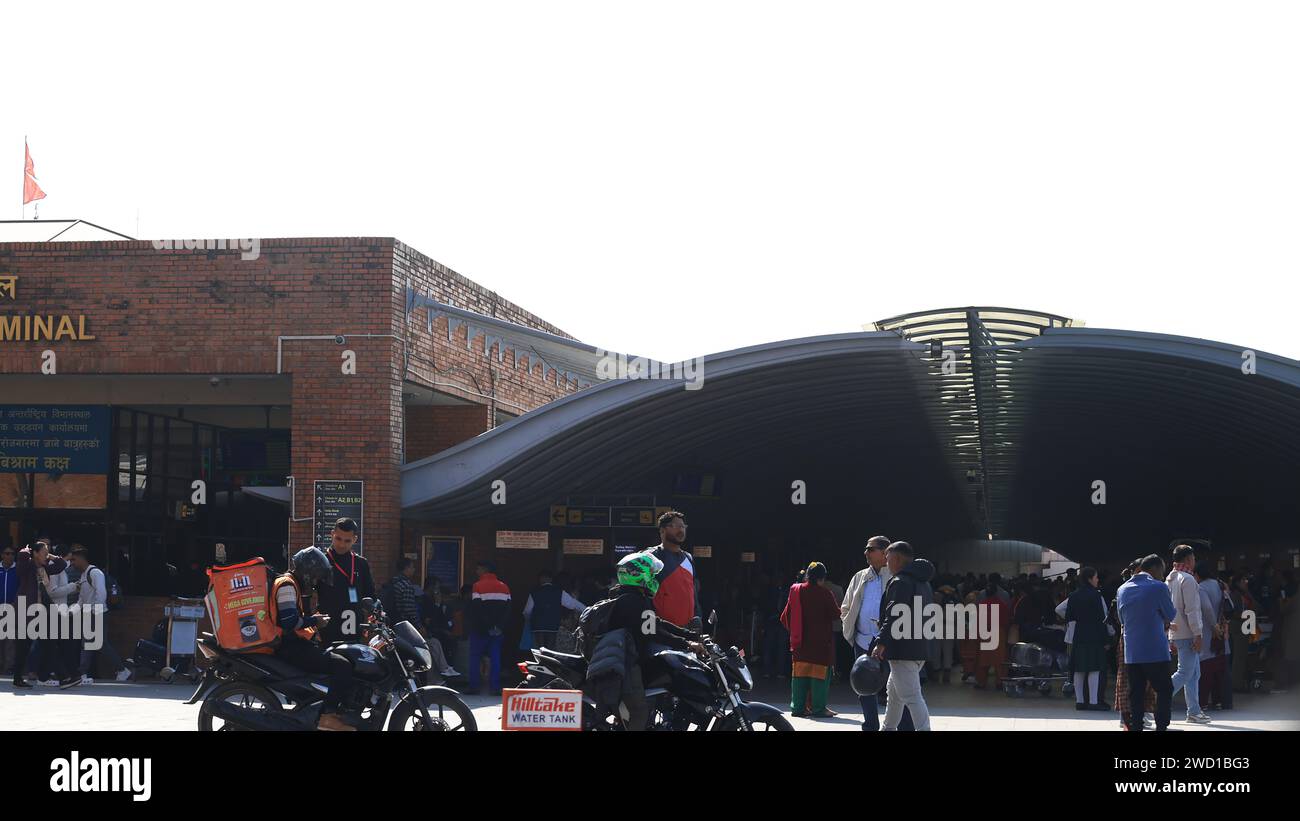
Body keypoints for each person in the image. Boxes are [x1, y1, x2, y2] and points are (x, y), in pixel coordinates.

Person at [600, 551, 704, 729]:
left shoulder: (627, 596)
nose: (655, 579)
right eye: (652, 574)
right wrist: (687, 644)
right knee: (639, 712)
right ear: (638, 575)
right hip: (626, 663)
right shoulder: (634, 601)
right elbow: (654, 633)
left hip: (623, 658)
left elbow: (657, 623)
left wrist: (690, 635)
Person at [272, 546, 356, 731]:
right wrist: (315, 621)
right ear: (308, 572)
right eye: (316, 576)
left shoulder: (290, 583)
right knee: (342, 665)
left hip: (294, 645)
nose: (315, 581)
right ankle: (328, 716)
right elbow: (288, 622)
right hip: (290, 647)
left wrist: (313, 622)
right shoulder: (287, 585)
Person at [840, 535, 911, 730]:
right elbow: (845, 607)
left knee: (898, 687)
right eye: (866, 549)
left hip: (889, 642)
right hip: (863, 640)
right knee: (864, 687)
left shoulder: (897, 577)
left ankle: (905, 726)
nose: (866, 553)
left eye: (870, 549)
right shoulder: (860, 577)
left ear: (885, 552)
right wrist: (850, 628)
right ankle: (870, 725)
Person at [872, 541, 934, 731]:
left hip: (902, 650)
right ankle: (888, 728)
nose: (886, 562)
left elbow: (894, 615)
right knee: (895, 696)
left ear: (897, 559)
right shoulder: (923, 583)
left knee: (912, 697)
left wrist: (881, 642)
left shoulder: (900, 582)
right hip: (917, 647)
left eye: (888, 558)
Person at [1117, 554, 1177, 731]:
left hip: (1133, 651)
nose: (1162, 575)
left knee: (1136, 692)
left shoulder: (1122, 589)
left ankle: (1136, 726)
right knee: (1164, 689)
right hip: (1155, 650)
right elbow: (1170, 614)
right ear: (1156, 569)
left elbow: (1122, 619)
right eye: (1162, 571)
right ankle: (1161, 726)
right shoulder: (1158, 587)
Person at [11, 540, 79, 689]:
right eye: (43, 553)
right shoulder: (27, 566)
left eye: (47, 553)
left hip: (41, 613)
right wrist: (26, 551)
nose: (46, 556)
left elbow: (61, 565)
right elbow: (21, 559)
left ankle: (64, 678)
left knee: (48, 644)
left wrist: (51, 556)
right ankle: (18, 678)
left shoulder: (44, 568)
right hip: (27, 612)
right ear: (35, 553)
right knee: (24, 646)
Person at [780, 562, 840, 718]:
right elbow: (835, 615)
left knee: (799, 679)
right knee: (819, 679)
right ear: (822, 578)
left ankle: (798, 708)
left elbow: (785, 617)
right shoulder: (825, 594)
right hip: (820, 646)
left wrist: (795, 632)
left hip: (800, 645)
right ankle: (818, 708)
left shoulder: (796, 591)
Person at [67, 548, 131, 683]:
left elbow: (101, 594)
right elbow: (81, 599)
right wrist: (70, 612)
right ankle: (82, 674)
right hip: (89, 614)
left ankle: (122, 670)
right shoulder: (84, 575)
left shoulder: (95, 573)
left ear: (82, 558)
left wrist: (94, 613)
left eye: (74, 560)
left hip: (98, 613)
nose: (72, 563)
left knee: (100, 644)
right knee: (86, 644)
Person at [1166, 544, 1210, 724]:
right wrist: (1198, 634)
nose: (1194, 562)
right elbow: (1192, 610)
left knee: (1193, 673)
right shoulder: (1188, 579)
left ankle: (1194, 711)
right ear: (1187, 560)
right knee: (1185, 672)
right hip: (1188, 632)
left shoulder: (1169, 578)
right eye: (1193, 558)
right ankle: (1155, 698)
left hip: (1175, 631)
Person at [314, 518, 375, 644]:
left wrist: (371, 617)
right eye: (338, 539)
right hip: (327, 630)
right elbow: (307, 595)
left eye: (347, 541)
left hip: (354, 631)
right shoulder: (320, 562)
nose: (341, 544)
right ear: (332, 535)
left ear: (355, 539)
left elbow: (371, 595)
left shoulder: (361, 563)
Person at [648, 511, 703, 630]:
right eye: (676, 526)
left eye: (683, 526)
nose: (681, 530)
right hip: (662, 633)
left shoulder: (688, 557)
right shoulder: (650, 557)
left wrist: (698, 618)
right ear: (662, 531)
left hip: (688, 632)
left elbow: (693, 593)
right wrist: (650, 630)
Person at [1065, 567, 1109, 710]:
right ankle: (1094, 702)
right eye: (1096, 577)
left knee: (1079, 669)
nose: (1097, 580)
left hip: (1079, 634)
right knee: (1094, 669)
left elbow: (1069, 617)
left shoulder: (1073, 595)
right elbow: (1101, 619)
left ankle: (1080, 701)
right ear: (1090, 578)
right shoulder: (1096, 595)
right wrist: (1106, 639)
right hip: (1094, 635)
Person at [466, 560, 511, 695]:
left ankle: (474, 686)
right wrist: (499, 627)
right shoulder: (505, 587)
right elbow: (508, 610)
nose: (476, 572)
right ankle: (495, 687)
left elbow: (477, 609)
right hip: (497, 631)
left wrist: (487, 626)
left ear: (485, 570)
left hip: (480, 630)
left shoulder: (477, 586)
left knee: (475, 657)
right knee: (495, 658)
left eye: (478, 569)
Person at [522, 570, 586, 650]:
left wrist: (528, 620)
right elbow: (573, 604)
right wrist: (587, 609)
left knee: (539, 649)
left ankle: (540, 661)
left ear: (540, 579)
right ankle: (548, 662)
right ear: (551, 579)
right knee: (550, 649)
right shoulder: (559, 592)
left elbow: (527, 611)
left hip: (538, 625)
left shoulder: (534, 592)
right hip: (553, 624)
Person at [0, 544, 17, 677]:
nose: (9, 556)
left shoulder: (17, 570)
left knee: (10, 640)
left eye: (11, 553)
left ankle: (8, 667)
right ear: (2, 555)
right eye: (7, 553)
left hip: (12, 608)